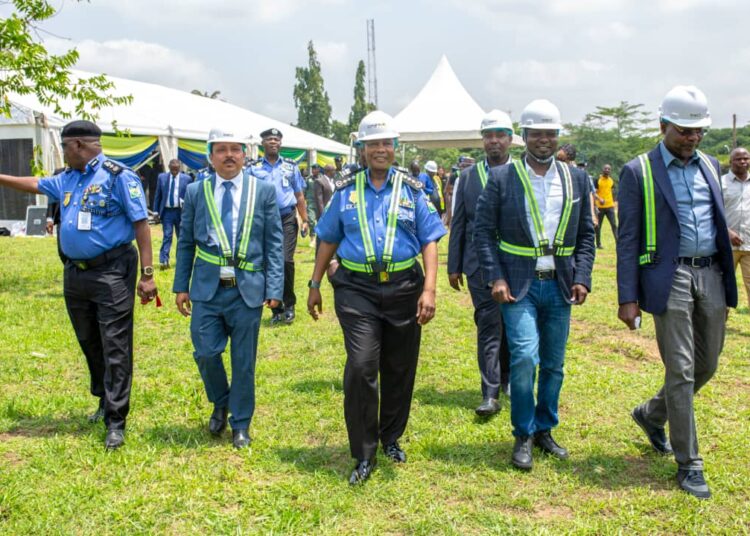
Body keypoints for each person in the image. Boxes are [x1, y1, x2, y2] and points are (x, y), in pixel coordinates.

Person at [0, 120, 158, 450]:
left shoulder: (118, 176)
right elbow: (35, 184)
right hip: (75, 273)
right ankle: (103, 399)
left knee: (115, 344)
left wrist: (147, 274)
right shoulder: (68, 178)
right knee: (89, 340)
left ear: (78, 146)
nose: (63, 151)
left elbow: (141, 225)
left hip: (112, 271)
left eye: (64, 146)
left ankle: (116, 420)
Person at [307, 110, 446, 485]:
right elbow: (328, 237)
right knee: (362, 364)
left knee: (400, 368)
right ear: (362, 150)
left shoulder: (413, 191)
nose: (381, 149)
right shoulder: (345, 192)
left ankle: (391, 437)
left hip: (404, 288)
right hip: (357, 290)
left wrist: (429, 289)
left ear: (395, 148)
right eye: (373, 144)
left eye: (387, 143)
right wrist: (315, 283)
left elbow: (430, 240)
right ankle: (364, 452)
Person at [617, 86, 737, 499]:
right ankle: (689, 464)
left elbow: (716, 220)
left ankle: (651, 414)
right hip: (670, 279)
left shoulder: (710, 164)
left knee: (708, 365)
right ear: (664, 125)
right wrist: (627, 296)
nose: (693, 138)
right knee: (681, 370)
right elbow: (628, 237)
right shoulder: (639, 171)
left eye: (699, 130)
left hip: (711, 274)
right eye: (685, 130)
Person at [474, 99, 595, 471]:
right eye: (536, 133)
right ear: (522, 136)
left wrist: (582, 277)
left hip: (559, 285)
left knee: (555, 364)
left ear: (558, 136)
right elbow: (483, 232)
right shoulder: (502, 178)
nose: (544, 139)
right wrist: (495, 276)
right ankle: (523, 432)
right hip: (517, 286)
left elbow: (587, 234)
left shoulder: (575, 178)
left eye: (550, 134)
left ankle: (545, 428)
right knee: (525, 358)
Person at [173, 129, 284, 450]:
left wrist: (274, 286)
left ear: (245, 153)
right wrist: (181, 285)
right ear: (210, 155)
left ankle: (240, 423)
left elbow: (274, 243)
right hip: (207, 289)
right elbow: (186, 244)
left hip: (247, 288)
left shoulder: (262, 191)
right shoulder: (196, 191)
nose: (229, 155)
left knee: (243, 360)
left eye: (235, 149)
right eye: (221, 149)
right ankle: (221, 401)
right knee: (206, 352)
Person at [448, 110, 514, 416]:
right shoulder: (468, 177)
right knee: (488, 322)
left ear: (511, 139)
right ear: (483, 140)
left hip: (516, 263)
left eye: (500, 135)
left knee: (511, 322)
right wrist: (454, 265)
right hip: (477, 265)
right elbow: (459, 221)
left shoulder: (522, 173)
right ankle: (490, 393)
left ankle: (508, 377)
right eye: (489, 135)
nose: (494, 141)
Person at [248, 128, 309, 325]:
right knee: (268, 262)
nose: (273, 142)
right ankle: (276, 307)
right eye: (269, 139)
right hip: (263, 219)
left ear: (281, 143)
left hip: (286, 217)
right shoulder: (253, 168)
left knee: (285, 260)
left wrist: (305, 219)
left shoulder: (291, 167)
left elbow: (299, 195)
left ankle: (289, 305)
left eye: (276, 139)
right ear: (262, 144)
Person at [721, 147, 750, 308]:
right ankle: (718, 327)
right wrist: (727, 232)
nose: (743, 161)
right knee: (723, 288)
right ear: (731, 161)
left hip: (749, 246)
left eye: (746, 158)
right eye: (739, 159)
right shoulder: (720, 183)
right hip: (727, 246)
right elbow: (712, 211)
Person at [153, 159, 192, 269]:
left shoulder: (187, 179)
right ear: (169, 168)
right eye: (172, 169)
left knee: (181, 237)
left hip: (181, 212)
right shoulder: (162, 177)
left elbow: (190, 197)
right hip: (167, 212)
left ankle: (180, 260)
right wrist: (155, 212)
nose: (174, 172)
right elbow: (158, 195)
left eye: (176, 169)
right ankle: (164, 261)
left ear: (180, 168)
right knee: (167, 236)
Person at [594, 164, 618, 249]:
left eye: (609, 169)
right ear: (602, 169)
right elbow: (594, 192)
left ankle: (618, 243)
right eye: (605, 168)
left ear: (610, 171)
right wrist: (599, 199)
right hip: (600, 207)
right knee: (598, 226)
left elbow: (613, 190)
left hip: (610, 206)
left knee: (614, 225)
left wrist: (614, 201)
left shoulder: (611, 180)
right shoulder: (598, 180)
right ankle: (598, 244)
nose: (607, 170)